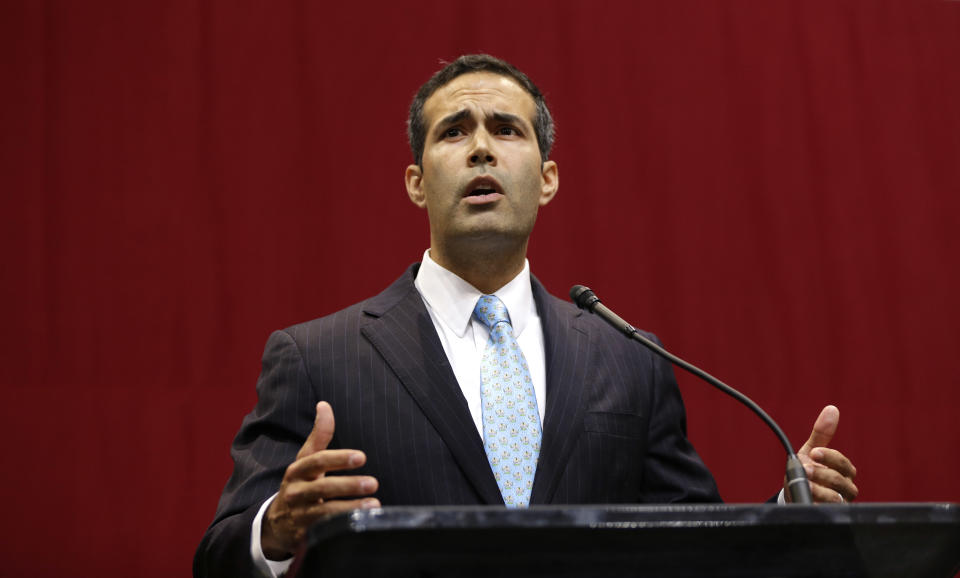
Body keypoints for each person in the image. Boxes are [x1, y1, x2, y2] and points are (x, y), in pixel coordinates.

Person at [193, 54, 858, 578]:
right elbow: (221, 556)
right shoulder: (317, 358)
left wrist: (789, 512)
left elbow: (694, 552)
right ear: (416, 181)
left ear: (547, 177)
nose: (481, 148)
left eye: (505, 130)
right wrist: (275, 527)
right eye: (454, 131)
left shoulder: (628, 359)